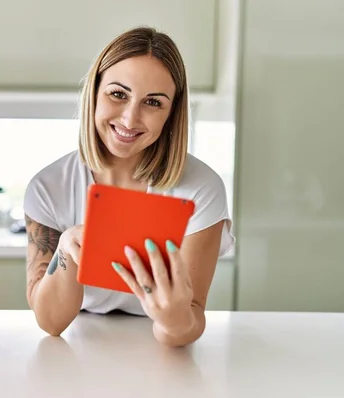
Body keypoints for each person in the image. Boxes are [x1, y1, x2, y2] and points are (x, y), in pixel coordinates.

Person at [22, 26, 235, 347]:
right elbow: (51, 323)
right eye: (118, 94)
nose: (130, 119)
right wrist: (65, 247)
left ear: (171, 113)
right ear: (94, 92)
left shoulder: (201, 189)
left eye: (153, 102)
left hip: (160, 348)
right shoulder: (48, 186)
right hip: (80, 346)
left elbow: (187, 322)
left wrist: (173, 321)